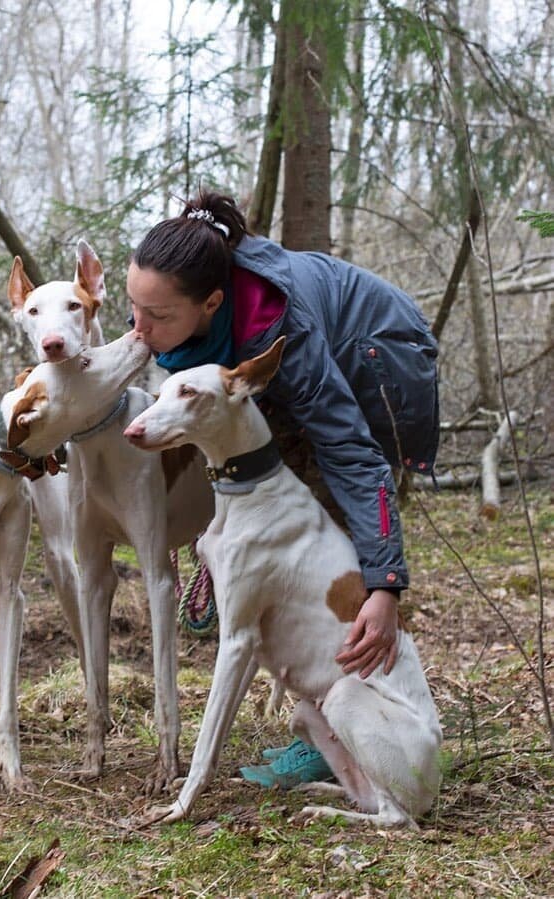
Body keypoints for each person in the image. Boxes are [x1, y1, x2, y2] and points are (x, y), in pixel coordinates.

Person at [127, 190, 439, 788]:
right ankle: (334, 726)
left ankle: (360, 731)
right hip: (293, 370)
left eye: (158, 317)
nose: (140, 331)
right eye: (133, 308)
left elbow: (351, 453)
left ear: (212, 303)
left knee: (329, 535)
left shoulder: (282, 326)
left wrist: (385, 584)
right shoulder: (175, 294)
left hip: (378, 362)